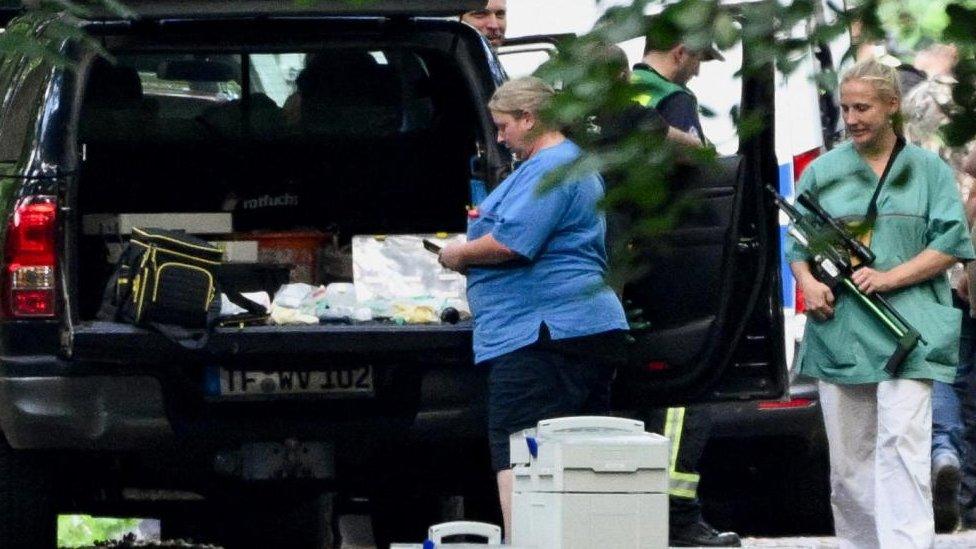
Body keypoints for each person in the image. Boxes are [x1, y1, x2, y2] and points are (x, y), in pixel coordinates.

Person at [787, 59, 975, 548]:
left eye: (862, 107)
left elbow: (952, 242)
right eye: (846, 108)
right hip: (841, 331)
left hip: (909, 327)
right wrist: (807, 281)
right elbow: (799, 245)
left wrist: (892, 276)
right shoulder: (825, 171)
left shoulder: (928, 171)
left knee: (903, 449)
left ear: (893, 107)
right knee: (849, 462)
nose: (851, 119)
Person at [438, 76, 629, 540]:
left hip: (542, 337)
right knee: (578, 465)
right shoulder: (559, 165)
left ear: (530, 118)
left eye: (504, 126)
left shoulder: (552, 169)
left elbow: (512, 243)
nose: (499, 137)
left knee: (522, 459)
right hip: (576, 329)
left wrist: (456, 254)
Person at [629, 31, 741, 548]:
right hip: (668, 257)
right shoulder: (673, 100)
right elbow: (695, 170)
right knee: (685, 390)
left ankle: (630, 512)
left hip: (619, 261)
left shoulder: (622, 92)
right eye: (698, 60)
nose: (697, 70)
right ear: (680, 53)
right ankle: (678, 519)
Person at [902, 41, 975, 533]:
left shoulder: (909, 107)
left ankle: (944, 451)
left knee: (941, 368)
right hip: (967, 251)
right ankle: (968, 492)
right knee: (968, 371)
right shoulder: (969, 108)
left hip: (924, 253)